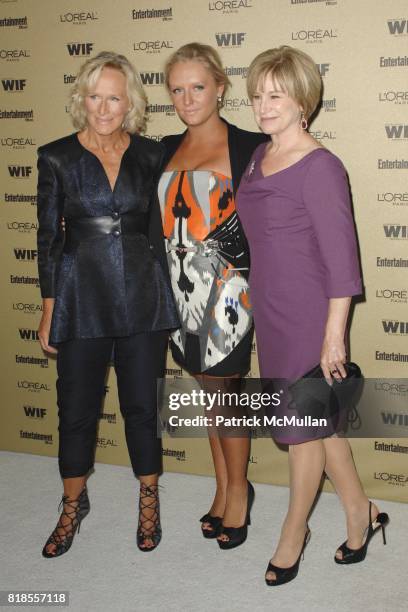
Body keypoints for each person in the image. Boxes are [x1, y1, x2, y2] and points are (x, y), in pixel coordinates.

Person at [236, 46, 389, 585]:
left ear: (304, 99)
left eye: (276, 94)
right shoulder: (258, 154)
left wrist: (333, 338)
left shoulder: (322, 166)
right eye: (257, 95)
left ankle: (292, 534)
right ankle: (360, 513)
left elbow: (342, 261)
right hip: (272, 310)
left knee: (300, 429)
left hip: (308, 313)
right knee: (319, 425)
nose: (264, 105)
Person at [36, 51, 179, 557]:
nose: (103, 107)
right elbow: (48, 238)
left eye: (114, 97)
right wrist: (50, 306)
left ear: (130, 102)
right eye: (94, 96)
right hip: (80, 298)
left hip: (143, 296)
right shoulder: (55, 156)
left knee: (142, 406)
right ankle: (72, 504)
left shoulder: (152, 154)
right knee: (75, 409)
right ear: (81, 98)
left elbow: (166, 230)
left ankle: (148, 496)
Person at [158, 43, 268, 548]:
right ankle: (224, 486)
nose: (187, 98)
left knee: (226, 397)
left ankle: (239, 497)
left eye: (197, 86)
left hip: (229, 293)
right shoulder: (163, 149)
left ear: (221, 86)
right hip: (180, 293)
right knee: (208, 395)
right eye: (177, 89)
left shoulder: (250, 147)